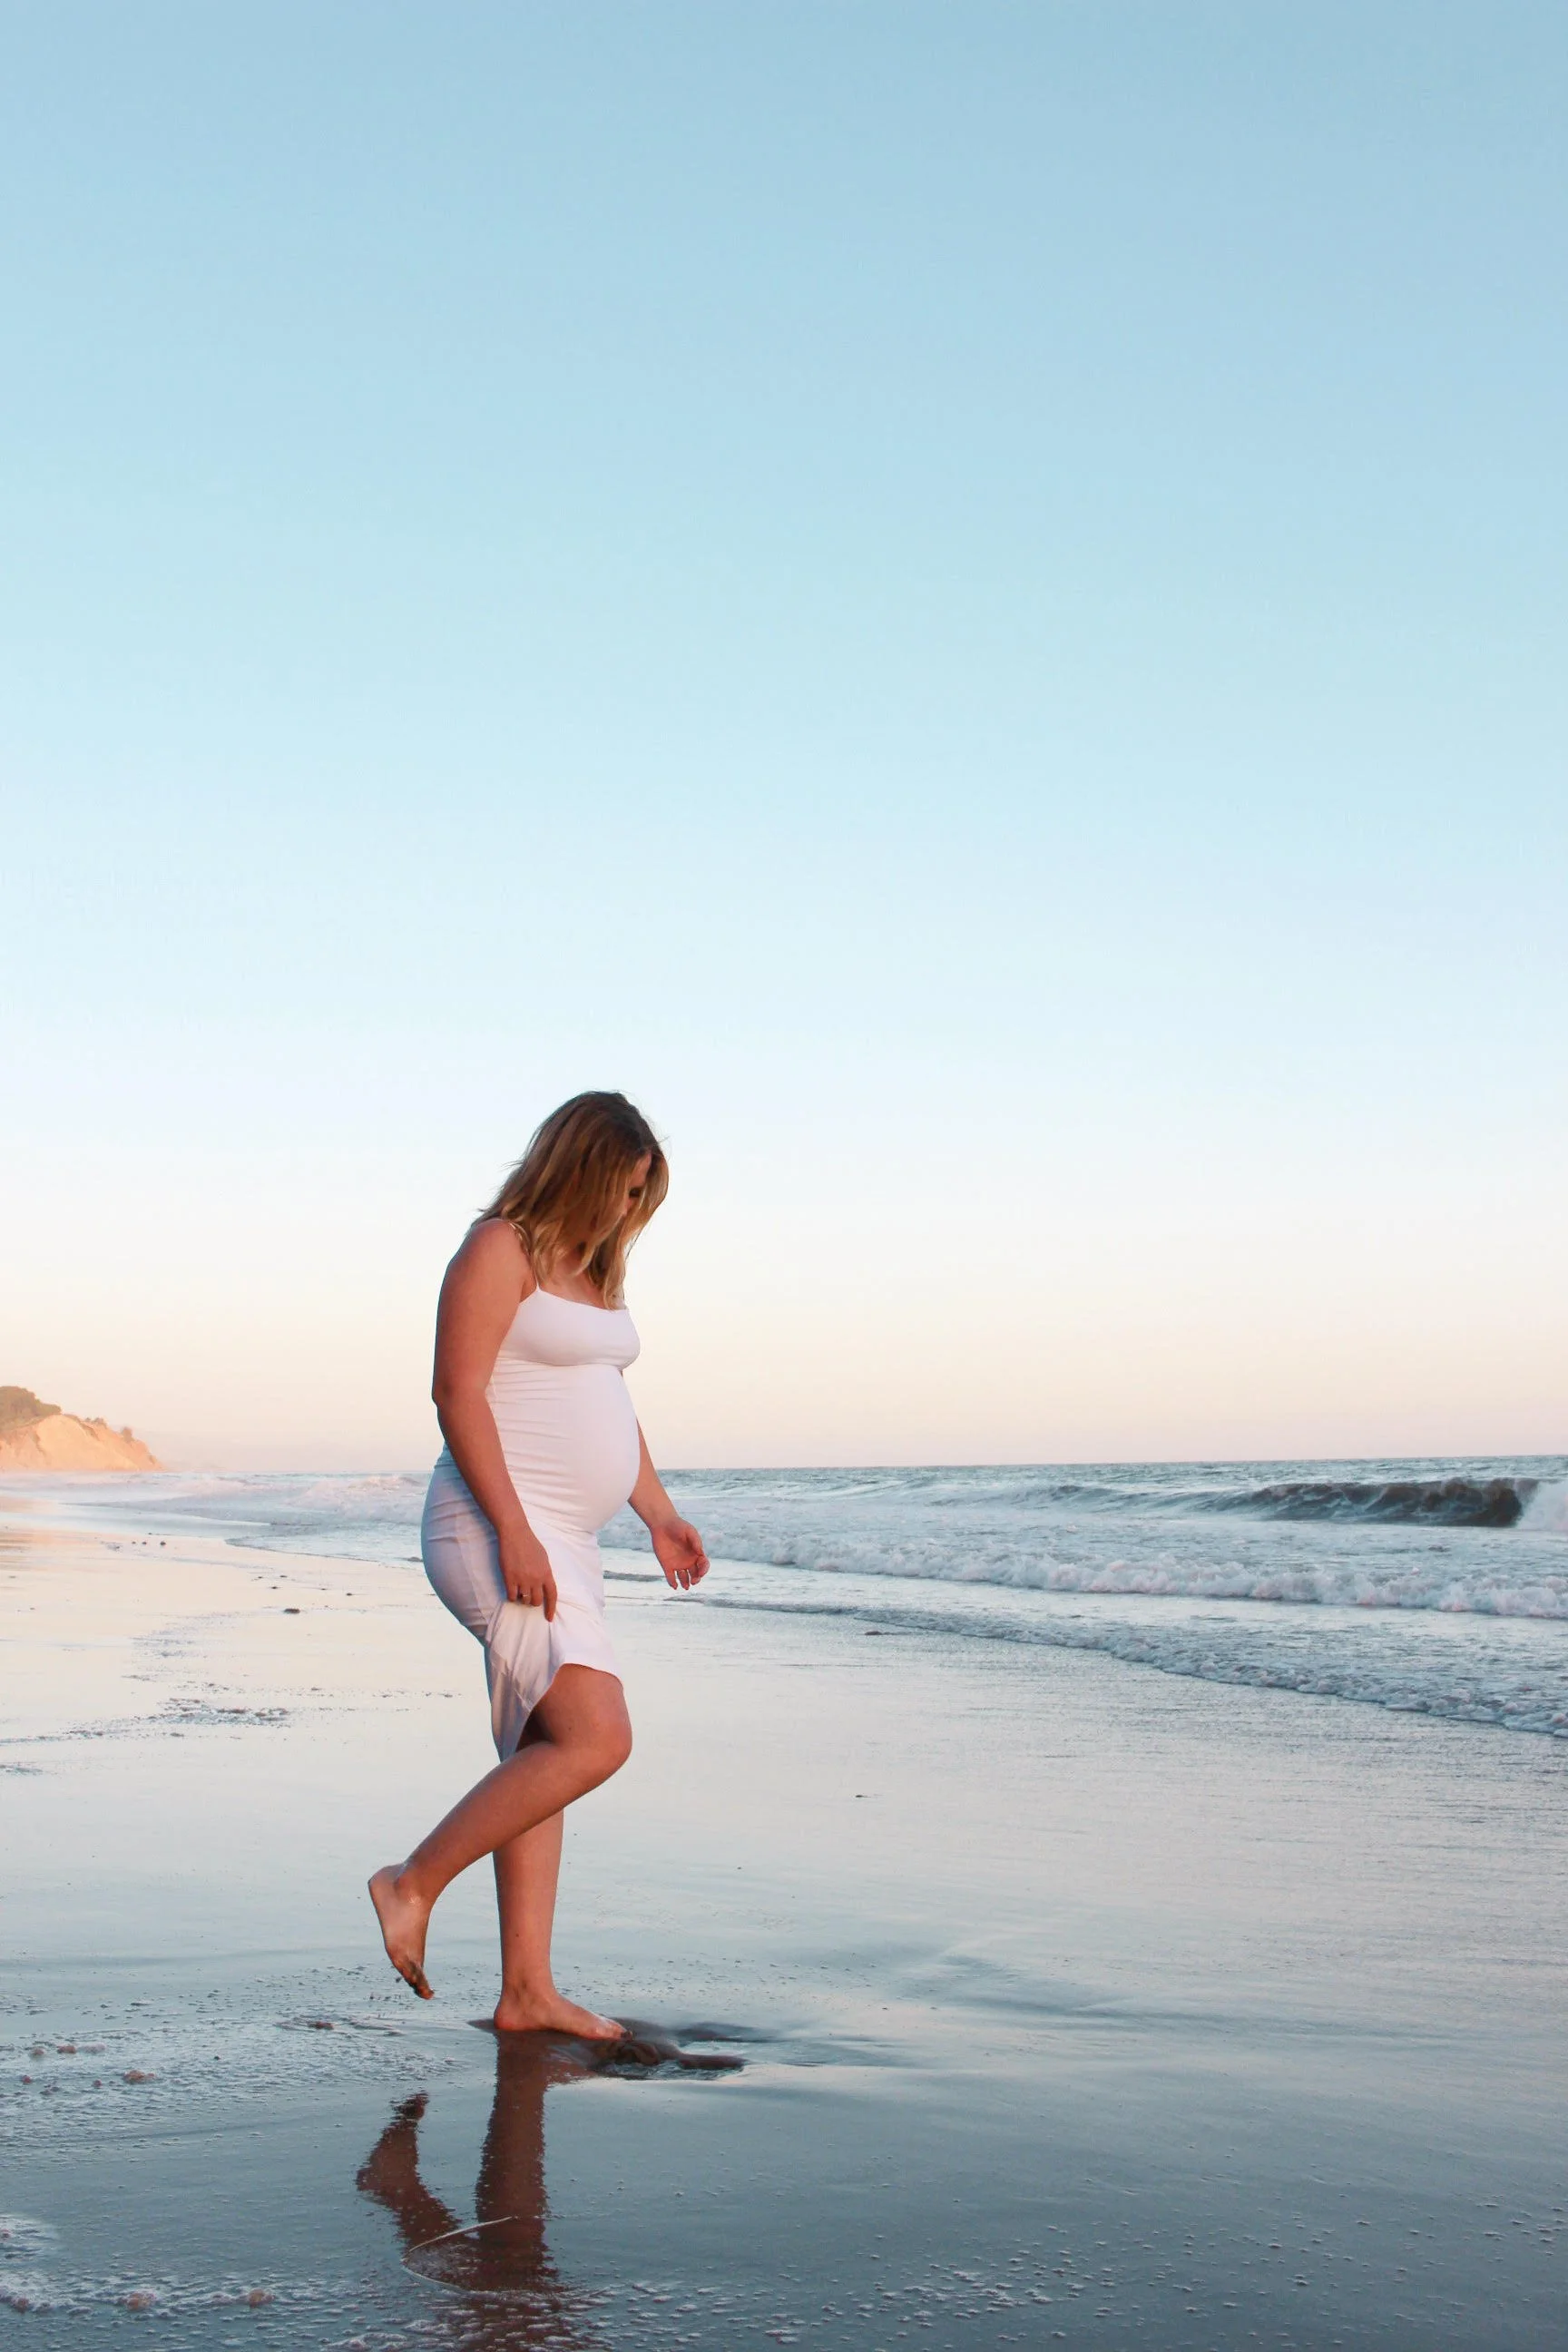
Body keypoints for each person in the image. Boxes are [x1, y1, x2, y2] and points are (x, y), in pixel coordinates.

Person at [368, 1092, 708, 2036]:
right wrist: (514, 1528)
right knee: (598, 1737)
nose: (625, 1212)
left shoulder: (592, 1275)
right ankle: (412, 1882)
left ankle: (526, 1993)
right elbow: (456, 1391)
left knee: (542, 1750)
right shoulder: (499, 1248)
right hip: (491, 1526)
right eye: (619, 1189)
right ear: (576, 1166)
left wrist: (660, 1513)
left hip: (570, 1540)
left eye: (641, 1197)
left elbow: (608, 1404)